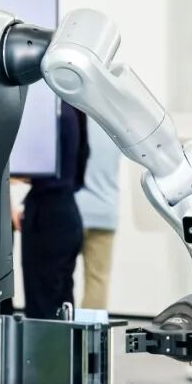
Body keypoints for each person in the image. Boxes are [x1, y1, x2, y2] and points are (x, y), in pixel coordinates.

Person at [15, 101, 90, 319]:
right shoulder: (71, 110)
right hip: (64, 214)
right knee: (61, 307)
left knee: (43, 308)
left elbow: (30, 164)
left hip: (48, 219)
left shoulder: (50, 113)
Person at [75, 120, 120, 310]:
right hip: (105, 211)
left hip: (72, 210)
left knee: (59, 278)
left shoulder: (75, 117)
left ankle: (60, 326)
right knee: (98, 280)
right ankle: (91, 328)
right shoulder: (114, 123)